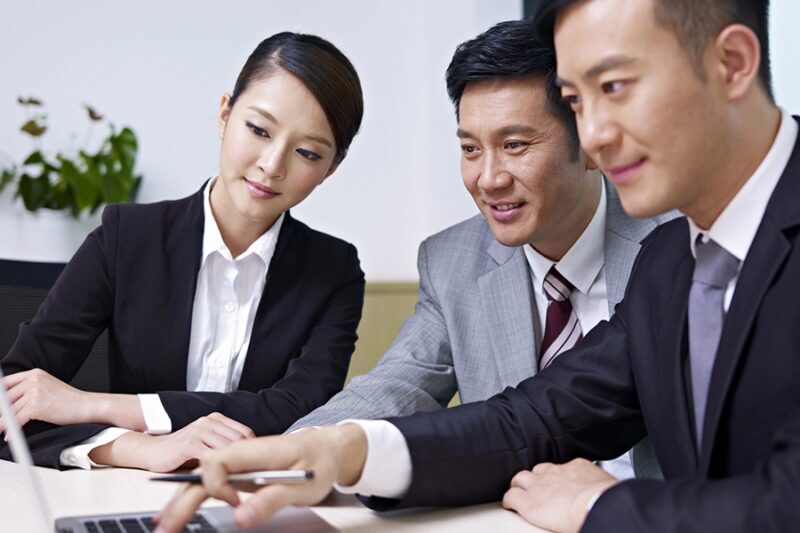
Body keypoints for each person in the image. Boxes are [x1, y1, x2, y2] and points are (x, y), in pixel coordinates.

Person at [156, 0, 800, 532]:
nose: (597, 135)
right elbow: (536, 417)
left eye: (615, 89)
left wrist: (599, 507)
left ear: (732, 64)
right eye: (579, 101)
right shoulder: (676, 259)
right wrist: (343, 448)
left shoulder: (659, 240)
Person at [288, 18, 673, 481]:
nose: (488, 179)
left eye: (514, 145)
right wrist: (295, 453)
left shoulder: (675, 242)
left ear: (590, 141)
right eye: (471, 149)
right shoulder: (451, 261)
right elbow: (396, 385)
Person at [0, 32, 365, 472]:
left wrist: (95, 405)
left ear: (331, 168)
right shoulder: (125, 237)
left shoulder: (334, 271)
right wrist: (143, 449)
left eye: (307, 152)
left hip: (255, 496)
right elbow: (13, 398)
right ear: (225, 115)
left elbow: (300, 410)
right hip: (121, 491)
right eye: (258, 130)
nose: (272, 165)